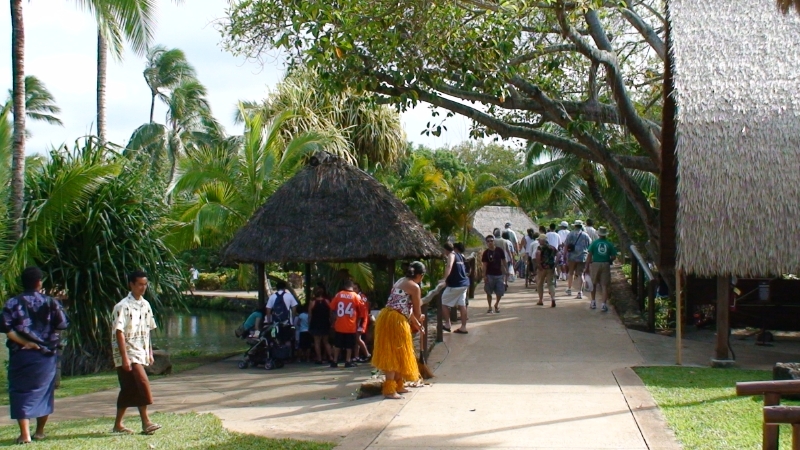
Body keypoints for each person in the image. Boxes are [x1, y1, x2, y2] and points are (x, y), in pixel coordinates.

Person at [1, 267, 69, 444]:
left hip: (21, 355)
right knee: (44, 392)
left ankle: (25, 434)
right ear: (39, 282)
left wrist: (26, 342)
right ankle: (39, 431)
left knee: (20, 392)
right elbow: (62, 324)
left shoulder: (12, 303)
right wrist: (47, 340)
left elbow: (7, 329)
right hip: (45, 356)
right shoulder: (51, 302)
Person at [112, 270, 161, 436]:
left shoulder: (145, 305)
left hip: (140, 351)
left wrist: (149, 352)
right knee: (142, 382)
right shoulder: (122, 306)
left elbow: (148, 330)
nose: (143, 287)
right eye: (139, 284)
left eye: (145, 284)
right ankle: (146, 421)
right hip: (128, 352)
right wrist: (124, 357)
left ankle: (118, 424)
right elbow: (119, 332)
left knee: (128, 389)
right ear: (131, 285)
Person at [372, 261, 426, 399]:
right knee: (394, 353)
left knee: (400, 353)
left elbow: (407, 308)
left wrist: (416, 324)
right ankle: (390, 390)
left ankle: (398, 385)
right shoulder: (415, 287)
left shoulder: (400, 281)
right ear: (420, 275)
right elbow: (417, 312)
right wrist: (420, 319)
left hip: (387, 316)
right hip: (396, 321)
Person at [585, 226, 618, 312]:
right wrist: (609, 260)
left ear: (599, 234)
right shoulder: (609, 244)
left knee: (593, 283)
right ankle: (603, 304)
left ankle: (593, 302)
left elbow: (589, 255)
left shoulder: (594, 243)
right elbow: (614, 256)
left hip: (595, 264)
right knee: (604, 285)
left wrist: (587, 266)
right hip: (605, 264)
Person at [329, 280, 362, 368]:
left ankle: (335, 361)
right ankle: (348, 361)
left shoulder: (338, 294)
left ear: (344, 286)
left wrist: (334, 319)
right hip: (350, 325)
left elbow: (332, 307)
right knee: (349, 345)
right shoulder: (355, 296)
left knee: (337, 344)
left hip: (339, 324)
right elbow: (361, 310)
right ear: (352, 287)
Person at [440, 242, 470, 334]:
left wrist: (444, 280)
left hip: (456, 285)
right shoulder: (459, 255)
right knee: (462, 305)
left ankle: (447, 324)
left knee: (443, 302)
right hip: (464, 284)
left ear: (445, 250)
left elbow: (449, 266)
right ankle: (463, 327)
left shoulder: (451, 255)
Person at [565, 220, 592, 299]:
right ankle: (580, 292)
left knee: (571, 273)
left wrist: (564, 255)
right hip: (582, 256)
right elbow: (590, 245)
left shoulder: (570, 234)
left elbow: (566, 245)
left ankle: (569, 289)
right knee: (580, 274)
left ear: (575, 226)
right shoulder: (585, 235)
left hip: (572, 256)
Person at [482, 234, 508, 314]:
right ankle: (490, 307)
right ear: (486, 243)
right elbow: (484, 265)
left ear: (494, 241)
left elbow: (504, 260)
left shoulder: (499, 250)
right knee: (489, 292)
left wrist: (507, 270)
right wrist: (484, 276)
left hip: (499, 274)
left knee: (500, 292)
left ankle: (496, 304)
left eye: (491, 241)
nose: (490, 242)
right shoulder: (486, 253)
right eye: (488, 241)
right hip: (489, 275)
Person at [308, 287, 333, 364]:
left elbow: (310, 315)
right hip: (325, 323)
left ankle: (319, 359)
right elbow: (330, 313)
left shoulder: (312, 302)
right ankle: (331, 357)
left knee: (317, 342)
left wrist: (309, 324)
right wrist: (331, 322)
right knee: (326, 341)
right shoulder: (327, 301)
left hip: (315, 323)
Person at [535, 235, 558, 307]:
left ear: (542, 240)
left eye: (539, 240)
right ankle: (553, 298)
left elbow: (538, 254)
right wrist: (555, 264)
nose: (538, 241)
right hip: (551, 267)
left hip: (542, 267)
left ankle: (541, 300)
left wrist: (538, 264)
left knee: (540, 283)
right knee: (550, 284)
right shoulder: (552, 247)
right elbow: (559, 254)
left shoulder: (540, 247)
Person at [353, 283, 371, 363]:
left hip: (361, 319)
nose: (354, 290)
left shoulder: (359, 297)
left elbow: (362, 311)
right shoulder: (363, 296)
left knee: (358, 338)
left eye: (355, 288)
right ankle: (356, 356)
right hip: (363, 318)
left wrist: (358, 322)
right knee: (357, 339)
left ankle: (367, 354)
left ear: (359, 289)